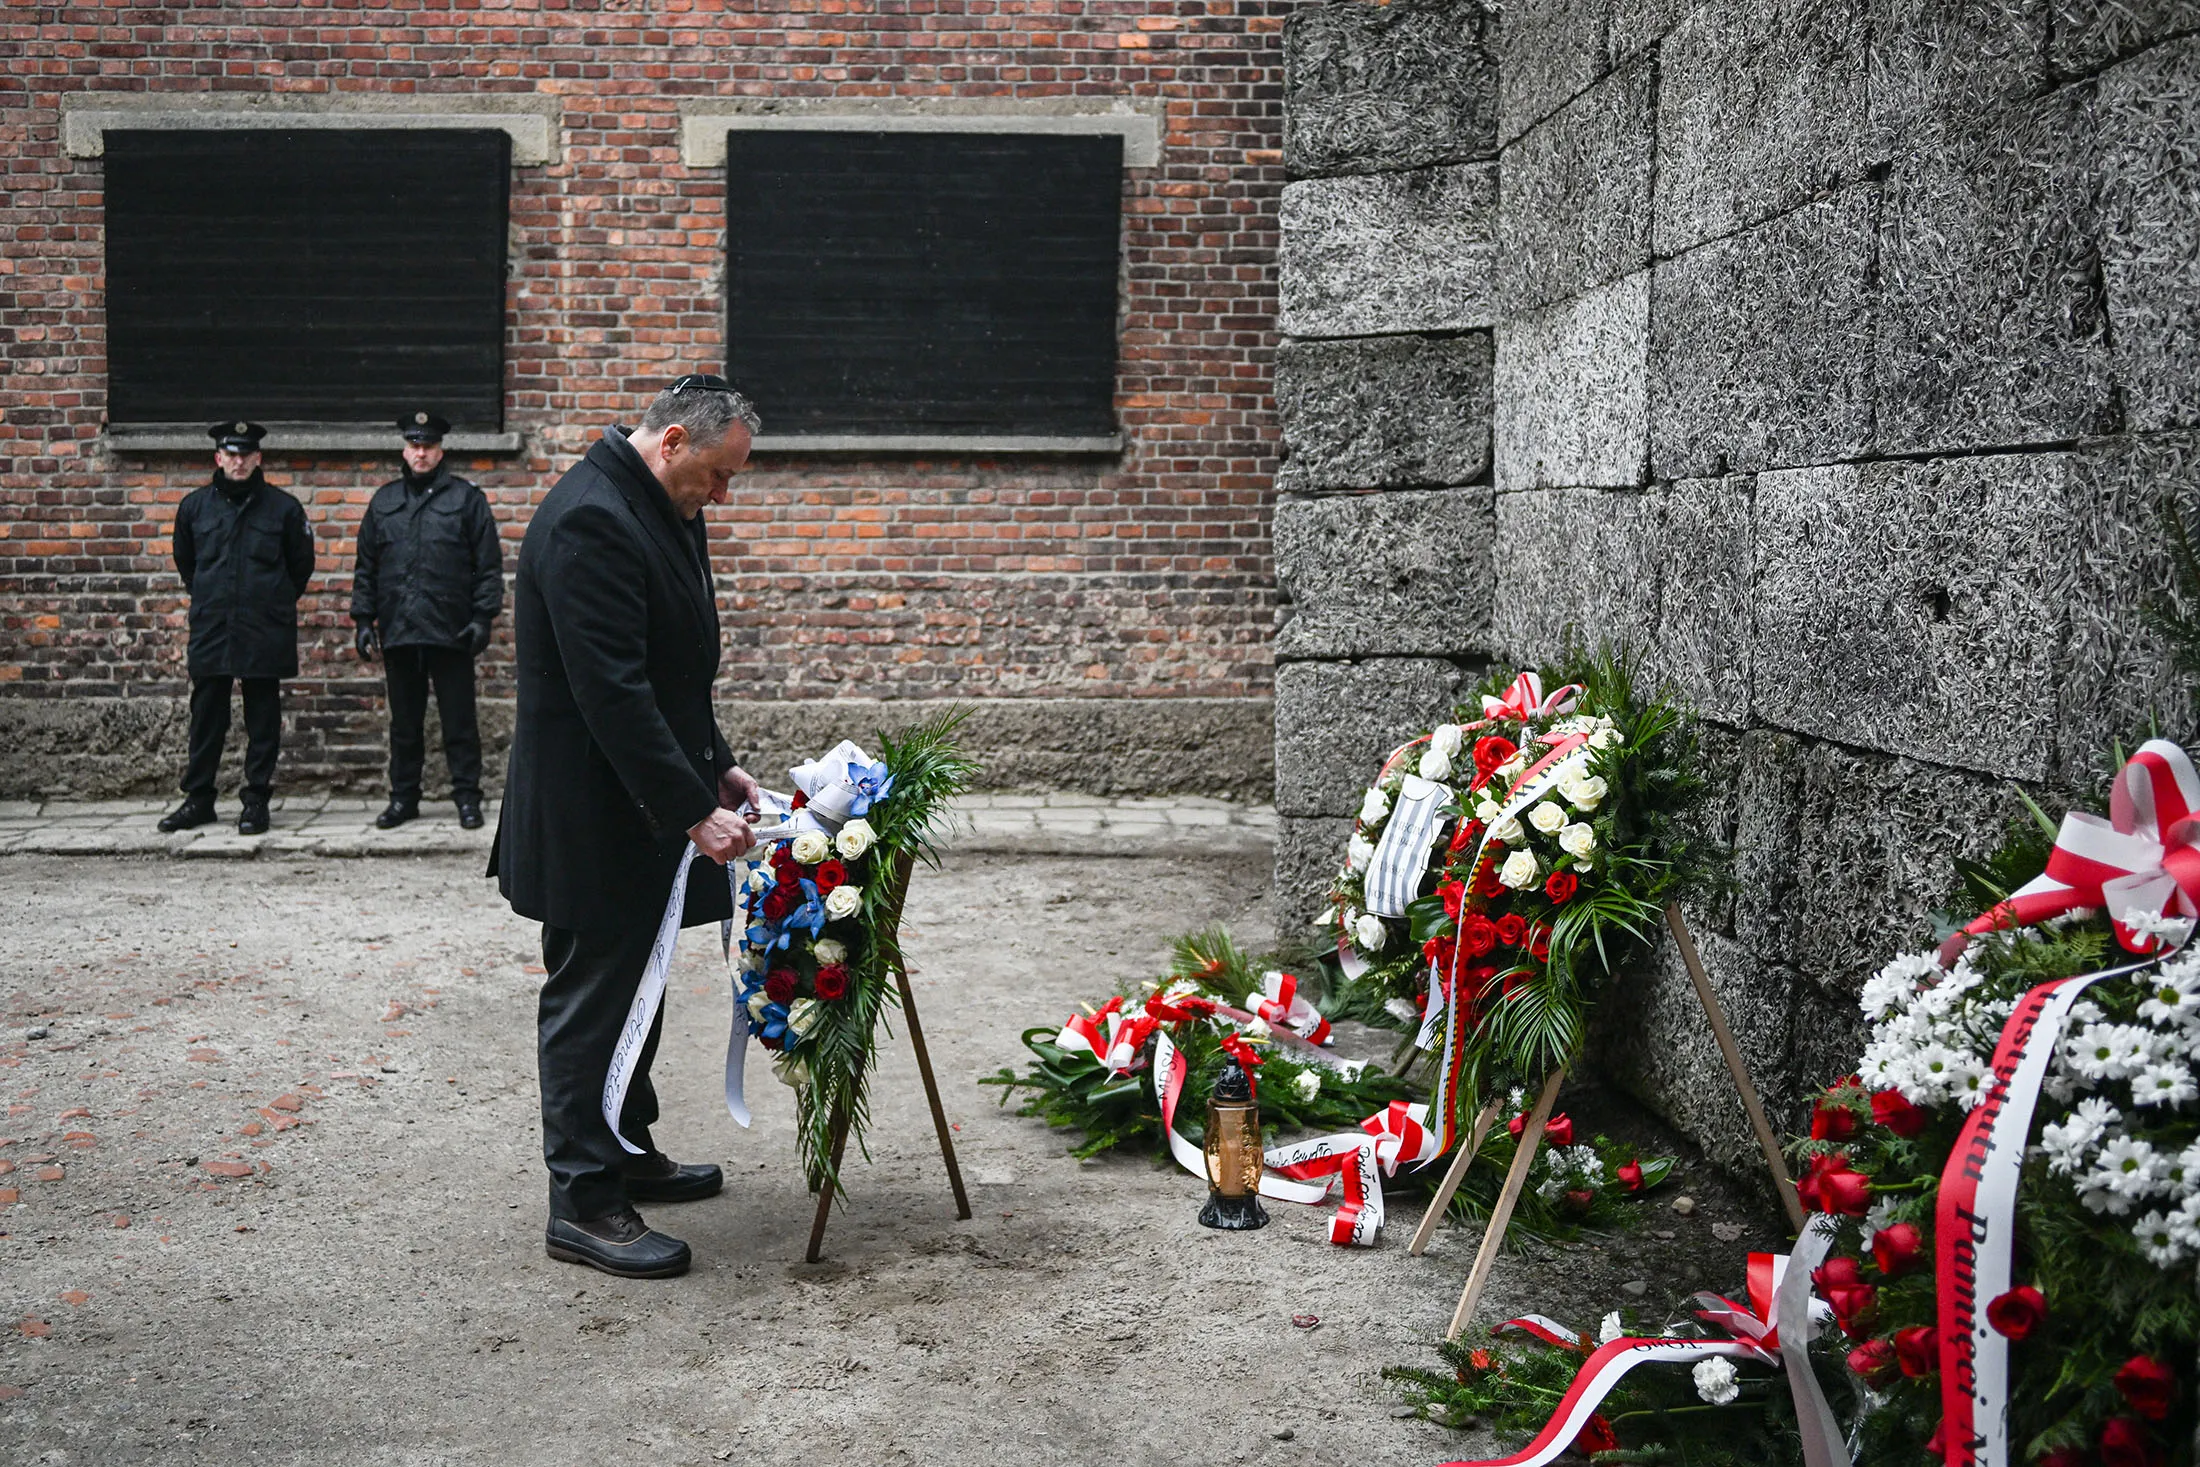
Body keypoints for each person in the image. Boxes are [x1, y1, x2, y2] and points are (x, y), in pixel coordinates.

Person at [489, 374, 767, 1279]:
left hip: (639, 807)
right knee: (592, 1001)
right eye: (720, 476)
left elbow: (673, 669)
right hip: (589, 815)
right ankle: (583, 1199)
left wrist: (715, 761)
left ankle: (626, 1148)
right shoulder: (591, 519)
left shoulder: (663, 506)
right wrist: (692, 810)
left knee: (637, 989)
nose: (723, 497)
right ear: (676, 439)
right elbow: (611, 690)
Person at [158, 422, 316, 837]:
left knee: (262, 716)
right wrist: (215, 598)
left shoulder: (284, 509)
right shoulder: (195, 508)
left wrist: (272, 597)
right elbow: (187, 563)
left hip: (265, 625)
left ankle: (256, 800)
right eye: (231, 454)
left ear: (258, 458)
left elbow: (300, 566)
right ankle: (199, 799)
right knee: (206, 715)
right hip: (213, 625)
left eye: (246, 454)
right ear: (218, 458)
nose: (239, 461)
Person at [351, 411, 504, 830]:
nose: (421, 453)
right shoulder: (384, 502)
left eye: (429, 446)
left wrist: (482, 618)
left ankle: (467, 798)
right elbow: (366, 565)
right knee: (404, 725)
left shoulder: (466, 500)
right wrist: (364, 619)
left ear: (440, 450)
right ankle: (403, 799)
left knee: (459, 722)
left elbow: (487, 566)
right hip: (399, 630)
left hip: (451, 631)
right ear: (405, 449)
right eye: (415, 445)